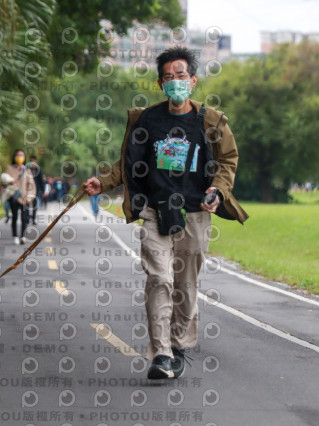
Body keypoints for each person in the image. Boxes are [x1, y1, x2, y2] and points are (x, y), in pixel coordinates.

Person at [83, 46, 249, 380]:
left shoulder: (210, 120)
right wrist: (104, 182)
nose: (176, 83)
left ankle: (179, 345)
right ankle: (160, 353)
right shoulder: (146, 120)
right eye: (169, 78)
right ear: (160, 83)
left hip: (195, 212)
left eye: (181, 76)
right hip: (155, 212)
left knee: (185, 285)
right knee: (159, 278)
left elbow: (228, 160)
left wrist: (218, 189)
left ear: (193, 80)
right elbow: (129, 163)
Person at [4, 149, 36, 245]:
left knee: (24, 217)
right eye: (18, 155)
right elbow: (4, 182)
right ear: (14, 157)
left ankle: (23, 236)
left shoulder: (27, 170)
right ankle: (15, 236)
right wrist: (9, 182)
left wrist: (29, 198)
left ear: (24, 157)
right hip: (13, 197)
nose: (19, 157)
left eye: (21, 155)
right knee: (14, 217)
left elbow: (31, 185)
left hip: (25, 198)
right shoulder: (9, 169)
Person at [28, 155, 45, 225]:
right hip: (28, 190)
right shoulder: (27, 168)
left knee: (35, 205)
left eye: (33, 161)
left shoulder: (38, 169)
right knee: (27, 205)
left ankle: (33, 219)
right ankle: (27, 218)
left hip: (36, 190)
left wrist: (43, 190)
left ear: (35, 161)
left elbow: (41, 180)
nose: (32, 162)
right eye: (31, 161)